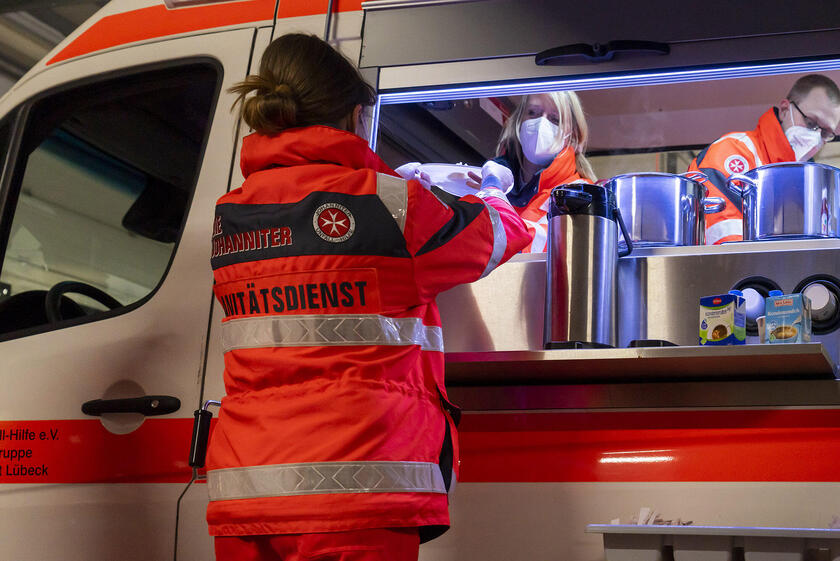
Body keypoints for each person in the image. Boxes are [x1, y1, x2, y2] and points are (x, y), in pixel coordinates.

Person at [206, 33, 530, 561]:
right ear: (358, 118)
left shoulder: (232, 212)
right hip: (358, 492)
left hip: (248, 490)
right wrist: (492, 189)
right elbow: (498, 234)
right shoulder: (391, 205)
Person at [688, 74, 840, 245]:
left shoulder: (813, 183)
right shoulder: (731, 152)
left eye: (825, 133)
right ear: (784, 110)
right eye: (811, 123)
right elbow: (726, 246)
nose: (816, 137)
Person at [467, 91, 597, 253]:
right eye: (532, 112)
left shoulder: (582, 193)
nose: (541, 123)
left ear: (573, 135)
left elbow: (551, 247)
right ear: (519, 120)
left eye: (555, 119)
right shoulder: (486, 181)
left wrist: (494, 197)